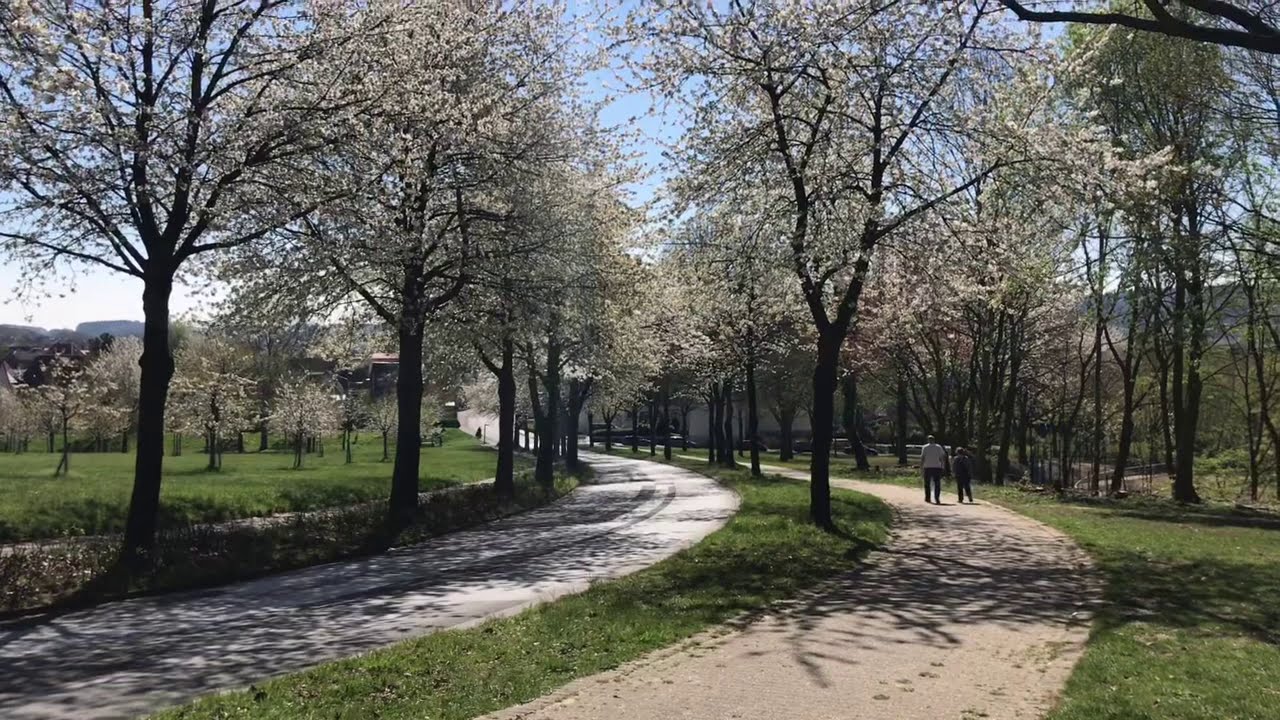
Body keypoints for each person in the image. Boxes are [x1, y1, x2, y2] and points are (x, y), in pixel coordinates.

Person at [920, 435, 947, 504]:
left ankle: (928, 497)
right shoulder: (938, 447)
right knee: (937, 483)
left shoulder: (925, 447)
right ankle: (937, 498)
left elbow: (922, 458)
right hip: (937, 467)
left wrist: (921, 467)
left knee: (927, 483)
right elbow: (942, 457)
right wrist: (943, 466)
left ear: (928, 440)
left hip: (927, 467)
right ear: (934, 440)